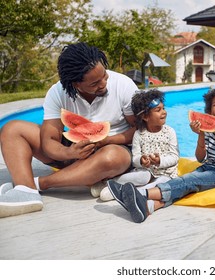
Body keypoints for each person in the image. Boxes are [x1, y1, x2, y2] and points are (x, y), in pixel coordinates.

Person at [0, 42, 138, 218]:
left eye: (104, 76)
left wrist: (108, 140)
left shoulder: (123, 85)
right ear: (75, 84)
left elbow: (140, 128)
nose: (103, 84)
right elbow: (49, 140)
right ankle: (25, 194)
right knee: (12, 129)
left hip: (115, 149)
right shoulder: (57, 92)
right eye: (95, 83)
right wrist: (69, 152)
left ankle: (36, 184)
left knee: (112, 157)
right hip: (74, 150)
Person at [107, 86, 215, 223]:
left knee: (187, 182)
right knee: (184, 188)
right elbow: (201, 158)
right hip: (208, 168)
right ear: (209, 111)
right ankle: (148, 207)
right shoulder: (211, 131)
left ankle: (142, 194)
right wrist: (202, 134)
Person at [97, 88, 180, 201]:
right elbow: (135, 158)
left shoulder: (170, 132)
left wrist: (160, 160)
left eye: (163, 108)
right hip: (146, 171)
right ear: (145, 117)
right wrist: (141, 161)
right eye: (158, 110)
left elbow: (174, 157)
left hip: (165, 173)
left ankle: (133, 194)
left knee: (161, 183)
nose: (164, 112)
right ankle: (109, 184)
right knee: (142, 177)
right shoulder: (139, 134)